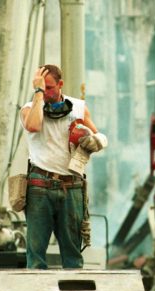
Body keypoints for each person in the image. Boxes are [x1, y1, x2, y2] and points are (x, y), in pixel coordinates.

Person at [20, 65, 107, 269]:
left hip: (72, 186)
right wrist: (39, 94)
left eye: (49, 88)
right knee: (36, 255)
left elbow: (97, 134)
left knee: (72, 255)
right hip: (40, 185)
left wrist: (96, 141)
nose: (46, 92)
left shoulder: (77, 107)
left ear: (60, 85)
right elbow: (33, 126)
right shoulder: (29, 108)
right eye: (42, 88)